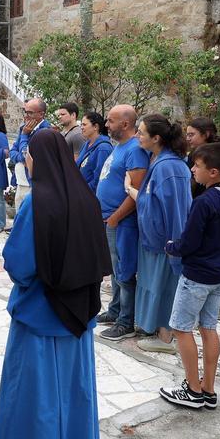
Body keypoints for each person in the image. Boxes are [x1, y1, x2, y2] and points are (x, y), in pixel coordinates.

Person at [0, 130, 109, 439]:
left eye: (29, 155)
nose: (26, 160)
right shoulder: (86, 196)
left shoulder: (37, 201)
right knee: (74, 383)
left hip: (42, 312)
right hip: (78, 312)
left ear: (40, 159)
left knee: (36, 387)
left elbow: (21, 263)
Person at [159, 142, 220, 410]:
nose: (193, 169)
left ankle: (192, 390)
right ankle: (208, 388)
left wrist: (171, 247)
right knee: (208, 328)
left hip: (197, 275)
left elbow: (189, 242)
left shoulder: (204, 202)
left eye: (197, 165)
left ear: (214, 172)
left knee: (181, 328)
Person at [128, 115, 192, 353]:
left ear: (156, 138)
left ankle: (165, 336)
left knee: (163, 284)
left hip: (165, 241)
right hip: (155, 239)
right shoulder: (161, 161)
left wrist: (176, 246)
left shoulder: (169, 167)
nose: (137, 136)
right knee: (154, 282)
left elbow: (175, 210)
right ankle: (159, 329)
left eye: (142, 132)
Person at [95, 105, 148, 340]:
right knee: (116, 271)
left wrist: (115, 218)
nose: (106, 124)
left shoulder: (135, 150)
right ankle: (115, 310)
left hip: (122, 222)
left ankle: (125, 322)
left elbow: (136, 191)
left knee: (125, 272)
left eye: (110, 121)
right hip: (110, 220)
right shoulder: (121, 147)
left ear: (125, 124)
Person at [184, 117, 220, 318]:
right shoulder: (195, 155)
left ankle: (218, 304)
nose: (188, 138)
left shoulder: (218, 157)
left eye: (192, 134)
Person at [10, 98, 52, 210]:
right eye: (25, 111)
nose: (26, 115)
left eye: (30, 112)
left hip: (33, 184)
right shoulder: (24, 127)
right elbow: (12, 151)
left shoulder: (45, 131)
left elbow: (27, 156)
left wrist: (24, 135)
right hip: (20, 181)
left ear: (41, 114)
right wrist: (21, 158)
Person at [75, 111, 113, 193]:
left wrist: (82, 192)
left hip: (89, 196)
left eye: (84, 125)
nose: (81, 127)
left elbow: (99, 179)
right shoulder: (87, 144)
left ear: (95, 127)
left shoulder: (103, 148)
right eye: (81, 124)